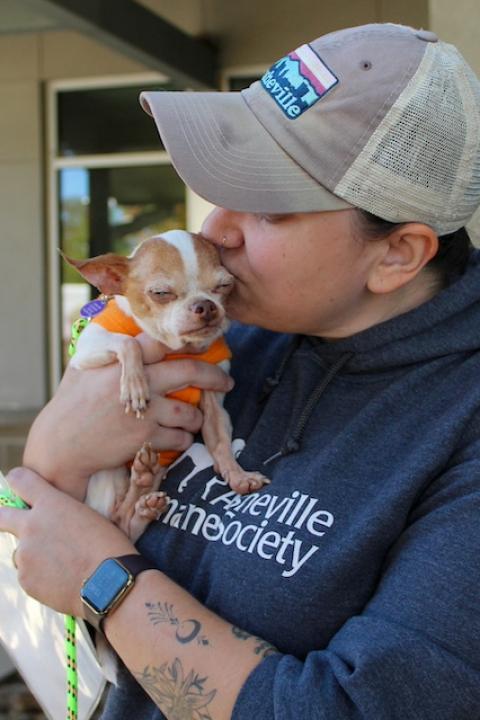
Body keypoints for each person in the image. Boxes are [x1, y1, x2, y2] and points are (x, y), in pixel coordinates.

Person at [2, 21, 480, 720]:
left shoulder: (459, 423)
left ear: (397, 255)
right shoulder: (223, 336)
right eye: (225, 188)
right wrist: (54, 450)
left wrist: (107, 583)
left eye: (269, 204)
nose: (216, 230)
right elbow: (33, 539)